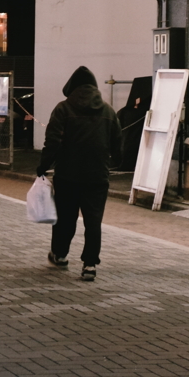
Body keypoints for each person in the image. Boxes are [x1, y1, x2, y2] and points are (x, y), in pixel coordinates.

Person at [37, 65, 122, 282]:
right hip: (97, 177)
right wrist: (110, 162)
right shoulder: (108, 111)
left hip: (68, 176)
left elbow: (52, 142)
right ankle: (90, 264)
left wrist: (43, 166)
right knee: (93, 222)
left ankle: (60, 255)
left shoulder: (63, 109)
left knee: (65, 219)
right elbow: (117, 145)